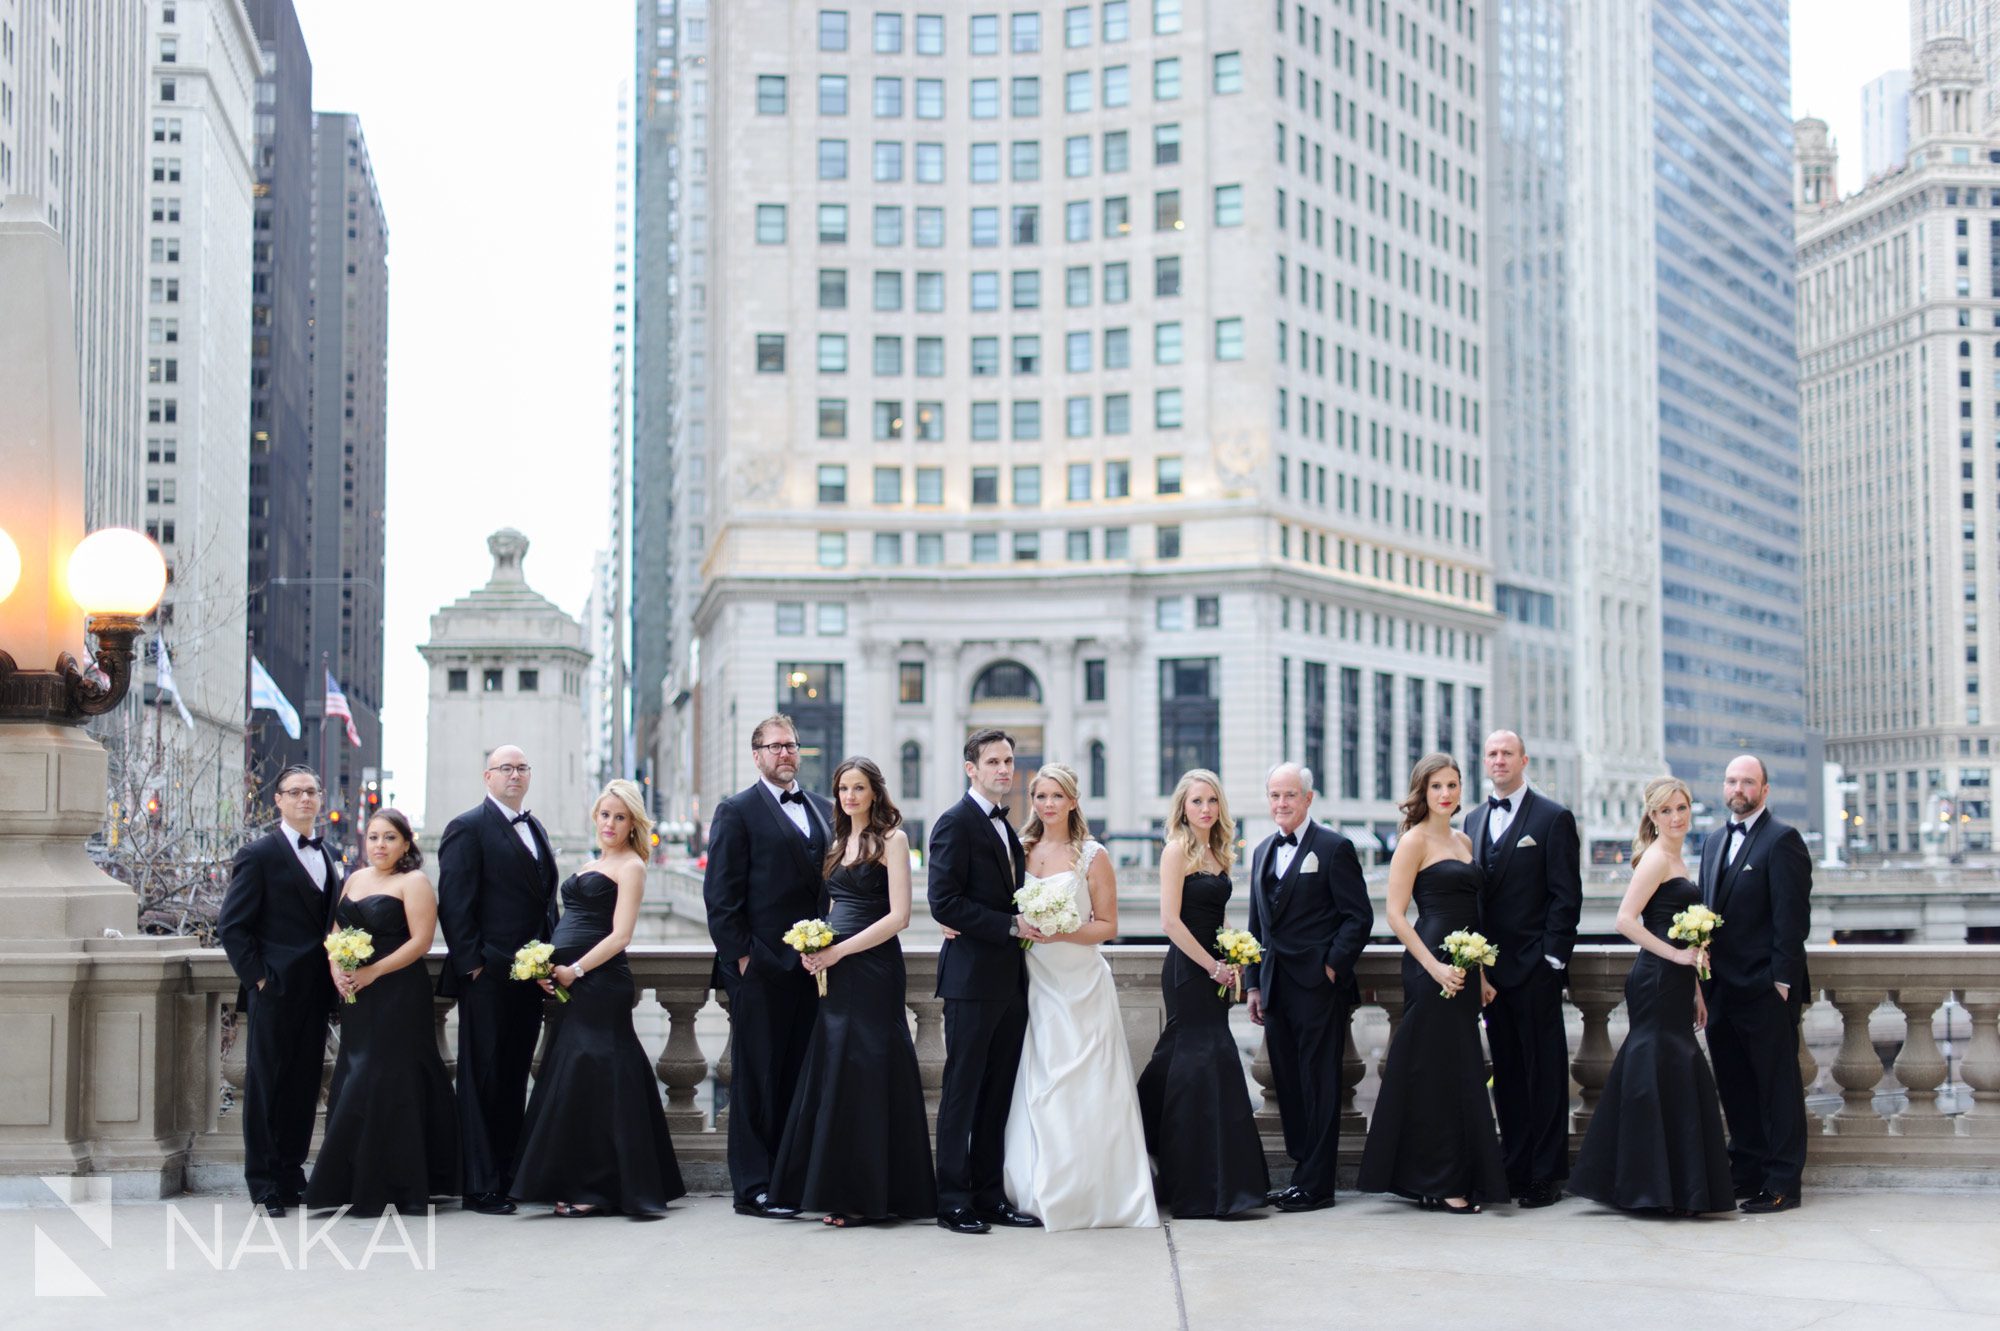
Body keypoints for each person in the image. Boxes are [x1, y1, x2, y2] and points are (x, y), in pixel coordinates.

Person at [768, 758, 935, 1227]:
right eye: (843, 788)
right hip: (835, 969)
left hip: (874, 967)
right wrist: (817, 943)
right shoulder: (838, 841)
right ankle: (838, 1189)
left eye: (859, 787)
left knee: (868, 1070)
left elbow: (899, 916)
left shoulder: (893, 841)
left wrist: (841, 953)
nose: (849, 796)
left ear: (875, 792)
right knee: (838, 1071)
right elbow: (837, 905)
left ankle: (871, 1196)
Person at [511, 780, 686, 1217]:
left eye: (620, 817)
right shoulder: (591, 863)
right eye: (605, 815)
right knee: (576, 1080)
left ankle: (597, 1187)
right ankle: (577, 1179)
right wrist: (545, 965)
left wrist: (576, 969)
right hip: (569, 981)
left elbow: (621, 935)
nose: (610, 823)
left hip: (601, 982)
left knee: (597, 1076)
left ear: (632, 824)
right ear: (596, 817)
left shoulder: (632, 867)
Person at [1001, 763, 1159, 1231]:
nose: (1047, 804)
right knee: (1042, 1086)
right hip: (1036, 982)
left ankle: (1099, 1192)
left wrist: (1061, 928)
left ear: (1073, 800)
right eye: (1040, 796)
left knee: (1087, 1089)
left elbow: (1108, 926)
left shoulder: (1093, 855)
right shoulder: (1020, 850)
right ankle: (1039, 1187)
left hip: (1080, 984)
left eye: (1056, 796)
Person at [1568, 777, 1734, 1215]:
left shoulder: (1677, 858)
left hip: (1677, 981)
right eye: (1666, 811)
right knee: (1656, 1072)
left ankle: (1669, 1186)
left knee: (1668, 1074)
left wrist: (1695, 983)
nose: (1676, 817)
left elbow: (1682, 930)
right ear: (1653, 816)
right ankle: (1649, 1188)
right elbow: (1625, 920)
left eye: (1681, 808)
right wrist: (1678, 959)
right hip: (1656, 978)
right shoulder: (1656, 859)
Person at [1357, 753, 1510, 1213]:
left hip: (1465, 967)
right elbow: (1395, 915)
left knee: (1461, 1071)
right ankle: (1442, 1180)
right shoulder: (1413, 841)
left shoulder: (1464, 840)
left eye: (1453, 785)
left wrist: (1480, 974)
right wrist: (1434, 968)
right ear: (1423, 792)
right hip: (1431, 965)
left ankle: (1453, 1174)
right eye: (1437, 786)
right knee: (1437, 1072)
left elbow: (1474, 915)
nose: (1446, 794)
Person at [703, 715, 834, 1219]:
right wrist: (744, 960)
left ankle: (793, 1180)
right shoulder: (735, 811)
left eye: (791, 746)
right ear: (756, 754)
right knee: (756, 1080)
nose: (785, 753)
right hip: (760, 971)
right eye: (774, 746)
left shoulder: (823, 809)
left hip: (815, 969)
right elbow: (721, 896)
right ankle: (754, 1187)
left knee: (801, 1079)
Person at [304, 809, 458, 1216]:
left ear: (406, 843)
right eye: (373, 837)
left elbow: (421, 942)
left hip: (398, 993)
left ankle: (399, 1184)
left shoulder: (414, 882)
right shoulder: (354, 880)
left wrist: (372, 972)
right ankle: (353, 1181)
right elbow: (334, 937)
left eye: (389, 838)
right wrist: (339, 970)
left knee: (390, 1079)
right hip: (357, 996)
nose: (379, 846)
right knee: (354, 1074)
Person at [1136, 770, 1271, 1219]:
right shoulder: (1177, 850)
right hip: (1189, 971)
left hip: (1217, 969)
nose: (1206, 809)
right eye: (1197, 801)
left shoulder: (1219, 852)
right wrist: (1212, 964)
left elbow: (1214, 917)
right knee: (1201, 1061)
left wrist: (1236, 952)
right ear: (1183, 808)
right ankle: (1199, 1186)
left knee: (1197, 1065)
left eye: (1212, 800)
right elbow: (1171, 923)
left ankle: (1216, 1181)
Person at [927, 728, 1043, 1235]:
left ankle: (989, 1194)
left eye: (1009, 761)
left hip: (1011, 982)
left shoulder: (1007, 825)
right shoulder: (954, 823)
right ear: (970, 768)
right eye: (993, 761)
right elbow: (943, 902)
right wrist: (1009, 925)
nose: (1004, 769)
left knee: (998, 1094)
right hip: (971, 982)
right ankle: (952, 1199)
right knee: (962, 1093)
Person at [434, 744, 559, 1215]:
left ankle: (506, 1175)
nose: (514, 775)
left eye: (522, 767)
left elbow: (545, 904)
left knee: (511, 1078)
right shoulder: (466, 827)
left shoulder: (535, 827)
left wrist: (548, 960)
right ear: (487, 776)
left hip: (529, 977)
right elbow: (455, 903)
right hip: (486, 977)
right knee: (482, 1077)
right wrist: (474, 966)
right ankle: (478, 1184)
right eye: (505, 768)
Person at [1245, 763, 1372, 1212]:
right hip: (1277, 987)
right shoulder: (1261, 851)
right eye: (1275, 795)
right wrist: (1254, 985)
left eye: (1290, 795)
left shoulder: (1334, 847)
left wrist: (1332, 967)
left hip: (1319, 988)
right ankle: (1302, 1174)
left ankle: (1318, 1186)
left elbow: (1359, 917)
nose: (1281, 803)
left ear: (1308, 798)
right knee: (1290, 1085)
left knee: (1320, 1086)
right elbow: (1257, 924)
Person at [1464, 729, 1582, 1209]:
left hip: (1535, 970)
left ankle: (1545, 1174)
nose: (1498, 760)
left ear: (1524, 760)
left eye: (1507, 753)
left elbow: (1565, 896)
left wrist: (1550, 960)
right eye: (1491, 753)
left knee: (1545, 1074)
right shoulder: (1470, 821)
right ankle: (1513, 1167)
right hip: (1489, 977)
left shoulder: (1553, 818)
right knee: (1507, 1074)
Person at [218, 764, 341, 1217]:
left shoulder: (328, 857)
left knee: (303, 1087)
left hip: (315, 994)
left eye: (312, 791)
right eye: (295, 792)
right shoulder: (259, 854)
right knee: (266, 1087)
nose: (305, 799)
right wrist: (261, 979)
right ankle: (264, 1184)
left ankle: (292, 1176)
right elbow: (232, 927)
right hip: (274, 992)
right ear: (279, 800)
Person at [1699, 754, 1813, 1214]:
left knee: (1777, 1090)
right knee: (1735, 1087)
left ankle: (1784, 1182)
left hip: (1766, 991)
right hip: (1720, 989)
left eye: (1748, 781)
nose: (1738, 788)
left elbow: (1792, 919)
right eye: (1731, 780)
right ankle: (1745, 1169)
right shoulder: (1710, 841)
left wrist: (1781, 982)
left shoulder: (1783, 840)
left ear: (1765, 790)